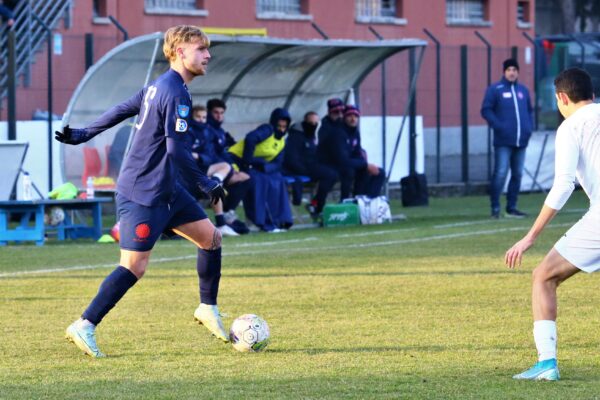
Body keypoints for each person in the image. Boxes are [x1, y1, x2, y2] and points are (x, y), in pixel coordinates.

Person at [56, 25, 230, 358]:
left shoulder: (161, 86)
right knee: (134, 266)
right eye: (201, 49)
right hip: (142, 193)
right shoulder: (174, 92)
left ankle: (207, 307)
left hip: (167, 190)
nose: (208, 55)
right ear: (179, 51)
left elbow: (122, 109)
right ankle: (85, 324)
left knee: (211, 238)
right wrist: (205, 183)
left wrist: (82, 133)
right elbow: (176, 151)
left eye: (208, 49)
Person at [505, 67, 599, 381]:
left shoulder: (571, 126)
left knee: (543, 276)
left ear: (561, 97)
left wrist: (530, 236)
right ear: (593, 94)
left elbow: (563, 184)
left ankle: (546, 364)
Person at [481, 58, 534, 219]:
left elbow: (529, 112)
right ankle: (495, 208)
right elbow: (486, 110)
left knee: (517, 174)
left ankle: (512, 207)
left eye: (514, 70)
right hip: (503, 141)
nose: (512, 72)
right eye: (509, 69)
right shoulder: (495, 89)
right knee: (501, 173)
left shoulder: (523, 91)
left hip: (521, 141)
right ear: (504, 72)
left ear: (518, 72)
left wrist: (528, 129)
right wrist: (499, 126)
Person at [228, 107, 293, 232]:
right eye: (279, 126)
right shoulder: (267, 130)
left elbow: (278, 163)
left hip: (257, 166)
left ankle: (281, 220)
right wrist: (247, 162)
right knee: (259, 180)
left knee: (278, 179)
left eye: (284, 127)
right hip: (236, 160)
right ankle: (262, 221)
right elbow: (250, 139)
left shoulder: (282, 143)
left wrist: (264, 167)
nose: (281, 129)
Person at [186, 104, 240, 237]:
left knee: (226, 168)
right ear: (191, 117)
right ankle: (220, 223)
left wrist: (199, 156)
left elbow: (211, 155)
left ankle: (222, 223)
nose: (201, 120)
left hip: (202, 169)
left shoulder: (207, 132)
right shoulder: (186, 130)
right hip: (187, 173)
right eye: (198, 117)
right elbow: (181, 152)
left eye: (203, 117)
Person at [318, 105, 384, 200]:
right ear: (344, 117)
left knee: (379, 172)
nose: (353, 119)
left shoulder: (355, 132)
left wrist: (365, 165)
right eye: (350, 116)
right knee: (350, 172)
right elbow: (342, 159)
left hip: (348, 164)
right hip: (332, 166)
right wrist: (365, 165)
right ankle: (345, 201)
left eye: (356, 116)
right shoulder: (338, 133)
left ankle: (368, 201)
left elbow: (357, 152)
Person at [205, 98, 251, 234]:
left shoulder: (221, 132)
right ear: (208, 113)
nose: (219, 116)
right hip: (209, 170)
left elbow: (230, 148)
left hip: (224, 168)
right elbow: (211, 154)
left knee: (246, 177)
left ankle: (227, 212)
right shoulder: (205, 130)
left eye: (221, 113)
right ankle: (221, 217)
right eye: (215, 112)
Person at [283, 111, 338, 219]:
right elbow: (292, 159)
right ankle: (317, 205)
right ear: (305, 122)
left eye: (315, 123)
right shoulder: (295, 137)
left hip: (311, 167)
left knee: (335, 172)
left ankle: (315, 203)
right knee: (330, 174)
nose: (313, 125)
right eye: (310, 122)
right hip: (303, 169)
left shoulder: (312, 135)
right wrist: (304, 170)